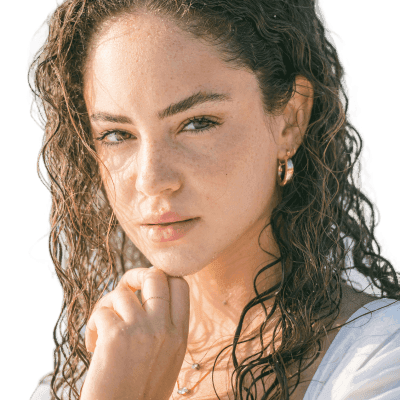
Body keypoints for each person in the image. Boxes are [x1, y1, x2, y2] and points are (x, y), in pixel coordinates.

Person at [28, 0, 400, 399]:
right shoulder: (80, 381)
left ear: (290, 120)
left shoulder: (379, 363)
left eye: (197, 123)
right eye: (118, 135)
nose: (152, 180)